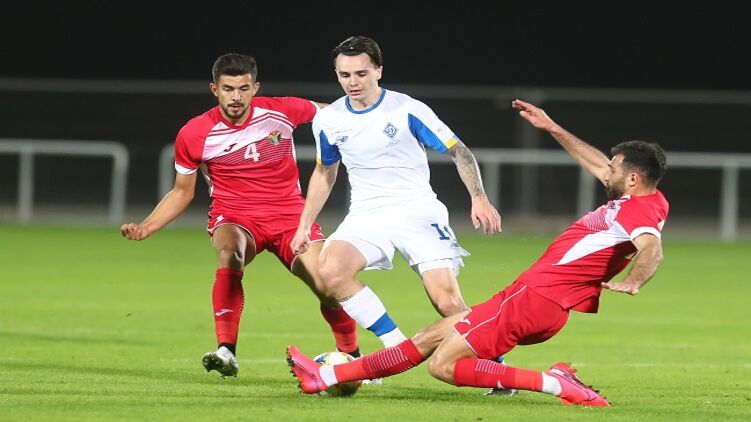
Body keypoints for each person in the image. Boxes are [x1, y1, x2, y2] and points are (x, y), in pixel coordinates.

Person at [287, 98, 669, 407]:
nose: (606, 171)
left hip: (538, 299)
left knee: (443, 366)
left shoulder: (638, 211)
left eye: (614, 168)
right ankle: (325, 377)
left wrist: (634, 280)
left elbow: (651, 249)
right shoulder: (638, 197)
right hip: (532, 295)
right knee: (430, 336)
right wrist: (552, 127)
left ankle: (554, 383)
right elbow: (596, 163)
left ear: (633, 179)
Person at [120, 53, 361, 378]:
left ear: (255, 88)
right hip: (235, 216)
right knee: (230, 253)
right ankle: (226, 351)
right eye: (228, 89)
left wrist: (365, 126)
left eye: (244, 88)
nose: (236, 96)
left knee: (327, 282)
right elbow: (181, 192)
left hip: (290, 217)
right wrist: (147, 227)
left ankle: (353, 359)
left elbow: (333, 113)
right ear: (215, 89)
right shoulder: (195, 133)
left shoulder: (281, 111)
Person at [291, 36, 502, 350]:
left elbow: (459, 151)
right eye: (345, 75)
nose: (352, 82)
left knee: (447, 303)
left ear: (378, 70)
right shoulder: (328, 120)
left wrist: (479, 197)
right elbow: (325, 172)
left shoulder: (407, 109)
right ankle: (395, 345)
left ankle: (495, 363)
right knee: (330, 271)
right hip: (366, 214)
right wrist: (304, 225)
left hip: (416, 211)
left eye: (361, 73)